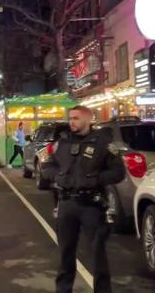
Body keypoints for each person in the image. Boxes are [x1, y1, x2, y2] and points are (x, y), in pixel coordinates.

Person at [42, 106, 125, 293]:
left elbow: (118, 172)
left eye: (76, 118)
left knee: (97, 255)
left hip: (91, 206)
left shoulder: (103, 143)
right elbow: (48, 166)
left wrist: (95, 180)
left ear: (88, 120)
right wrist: (58, 177)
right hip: (66, 204)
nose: (72, 122)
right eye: (70, 118)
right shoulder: (61, 143)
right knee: (65, 254)